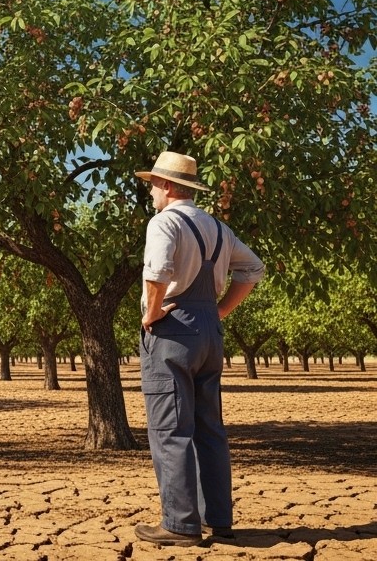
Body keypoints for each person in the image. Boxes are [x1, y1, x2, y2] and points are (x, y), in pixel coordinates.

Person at [133, 151, 264, 547]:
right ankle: (218, 520)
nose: (151, 190)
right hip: (209, 331)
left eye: (154, 183)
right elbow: (253, 268)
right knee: (210, 428)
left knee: (170, 429)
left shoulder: (163, 223)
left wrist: (150, 316)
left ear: (169, 186)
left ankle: (180, 524)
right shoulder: (217, 227)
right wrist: (220, 311)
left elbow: (156, 274)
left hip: (173, 331)